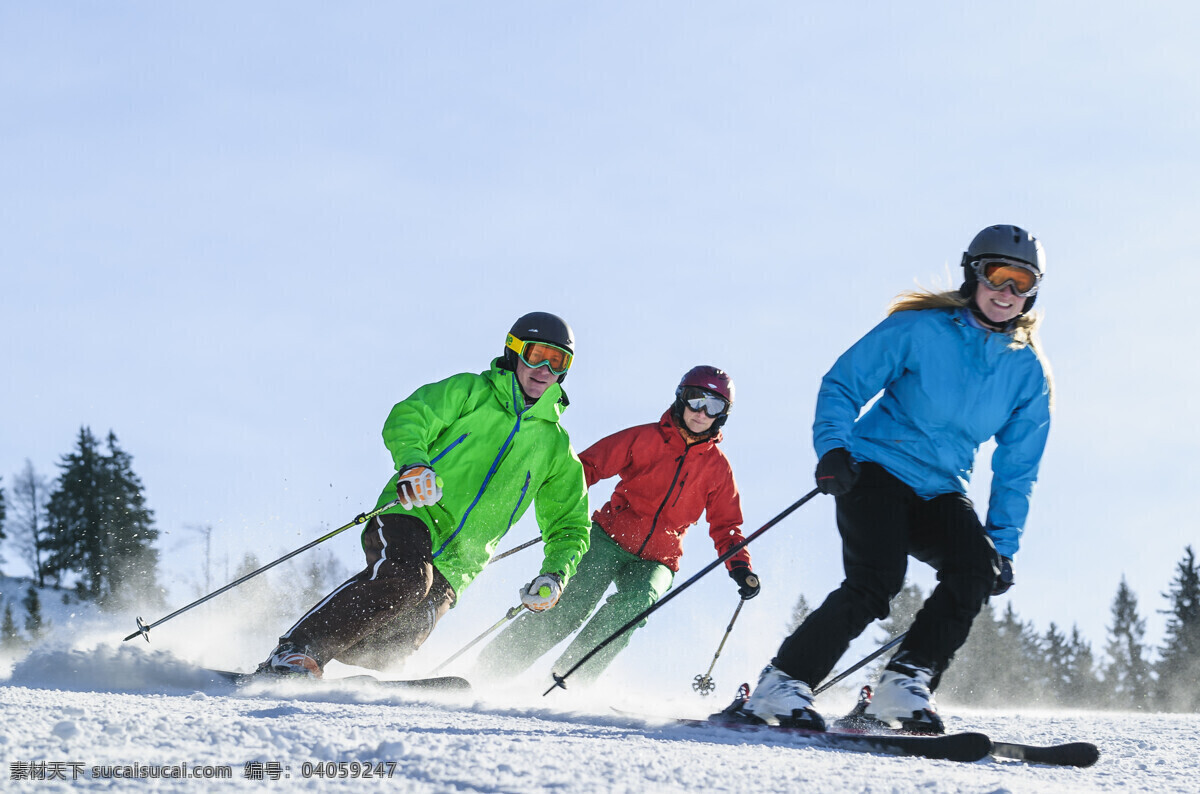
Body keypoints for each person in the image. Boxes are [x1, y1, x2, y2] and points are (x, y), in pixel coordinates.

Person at [737, 224, 1052, 733]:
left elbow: (1019, 467)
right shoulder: (922, 330)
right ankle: (783, 682)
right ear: (974, 273)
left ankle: (905, 683)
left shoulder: (1028, 372)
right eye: (998, 276)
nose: (1007, 292)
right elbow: (844, 382)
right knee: (876, 580)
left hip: (942, 486)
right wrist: (834, 448)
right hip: (876, 466)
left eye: (1021, 282)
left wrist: (1004, 544)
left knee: (974, 566)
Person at [257, 312, 592, 677]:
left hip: (460, 562)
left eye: (557, 361)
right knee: (409, 578)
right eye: (536, 354)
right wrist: (415, 464)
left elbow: (569, 524)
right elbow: (410, 416)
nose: (544, 368)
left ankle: (343, 672)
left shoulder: (557, 448)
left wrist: (556, 574)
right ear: (514, 352)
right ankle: (296, 650)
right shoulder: (470, 392)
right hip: (414, 512)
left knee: (391, 647)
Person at [474, 365, 760, 687]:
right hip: (609, 537)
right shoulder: (645, 438)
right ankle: (491, 669)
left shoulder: (717, 469)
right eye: (696, 400)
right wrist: (556, 494)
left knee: (637, 604)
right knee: (570, 604)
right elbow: (587, 466)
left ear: (723, 415)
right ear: (681, 399)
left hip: (659, 558)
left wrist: (740, 567)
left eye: (714, 406)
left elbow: (727, 525)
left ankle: (573, 676)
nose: (702, 412)